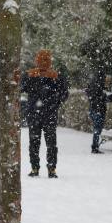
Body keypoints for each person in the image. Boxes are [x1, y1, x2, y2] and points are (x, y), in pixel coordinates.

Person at [19, 49, 69, 178]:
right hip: (49, 114)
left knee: (35, 142)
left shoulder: (30, 75)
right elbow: (64, 95)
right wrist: (55, 99)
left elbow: (20, 88)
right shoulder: (56, 76)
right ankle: (51, 169)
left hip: (35, 114)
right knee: (51, 143)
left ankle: (35, 168)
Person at [85, 68, 112, 154]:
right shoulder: (99, 86)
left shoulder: (92, 84)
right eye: (104, 77)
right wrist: (110, 98)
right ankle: (94, 147)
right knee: (97, 130)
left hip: (93, 109)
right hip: (99, 110)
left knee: (96, 129)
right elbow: (101, 99)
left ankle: (95, 146)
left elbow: (92, 96)